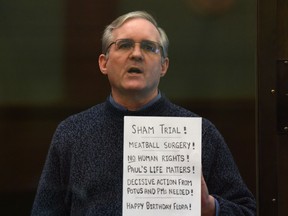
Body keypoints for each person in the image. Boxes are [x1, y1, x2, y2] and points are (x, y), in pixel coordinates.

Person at [31, 11, 256, 215]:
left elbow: (247, 210)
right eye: (125, 45)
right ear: (104, 63)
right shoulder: (72, 133)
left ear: (164, 66)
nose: (136, 54)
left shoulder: (201, 133)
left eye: (149, 47)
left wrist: (211, 208)